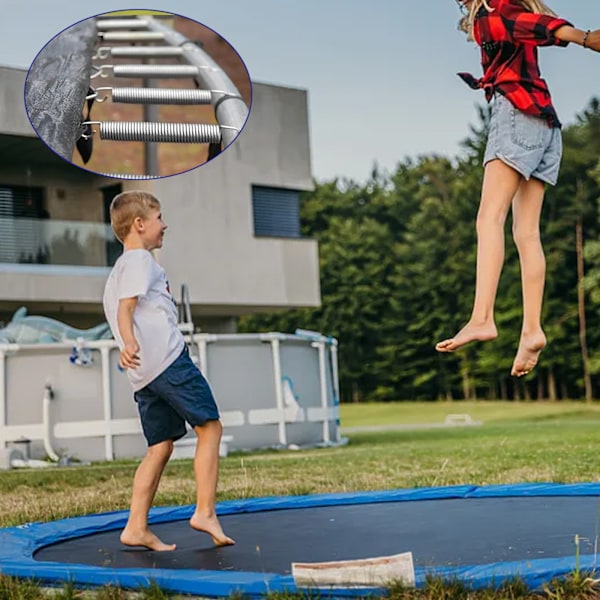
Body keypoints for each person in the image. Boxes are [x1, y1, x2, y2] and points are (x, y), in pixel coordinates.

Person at [436, 0, 600, 377]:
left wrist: (586, 38)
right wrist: (582, 37)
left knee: (488, 219)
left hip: (516, 114)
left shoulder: (493, 14)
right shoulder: (506, 13)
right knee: (526, 232)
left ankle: (482, 317)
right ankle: (531, 330)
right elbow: (540, 25)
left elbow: (543, 27)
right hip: (546, 125)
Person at [102, 190, 234, 551]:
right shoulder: (140, 261)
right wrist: (129, 342)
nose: (165, 224)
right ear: (140, 224)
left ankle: (136, 526)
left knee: (159, 446)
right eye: (159, 217)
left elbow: (123, 309)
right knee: (210, 427)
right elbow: (125, 311)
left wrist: (128, 347)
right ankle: (205, 511)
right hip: (167, 362)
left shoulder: (118, 272)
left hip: (144, 376)